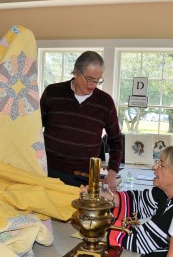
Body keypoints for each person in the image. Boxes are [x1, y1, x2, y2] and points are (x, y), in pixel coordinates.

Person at [40, 51, 122, 190]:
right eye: (89, 79)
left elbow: (116, 141)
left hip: (84, 179)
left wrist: (112, 171)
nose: (93, 85)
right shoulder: (52, 93)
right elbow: (33, 130)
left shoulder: (105, 102)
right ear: (76, 73)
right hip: (48, 172)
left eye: (97, 80)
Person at [96, 146, 173, 257]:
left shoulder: (170, 213)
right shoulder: (162, 193)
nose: (154, 167)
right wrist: (100, 195)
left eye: (161, 165)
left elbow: (139, 241)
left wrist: (100, 226)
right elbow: (137, 201)